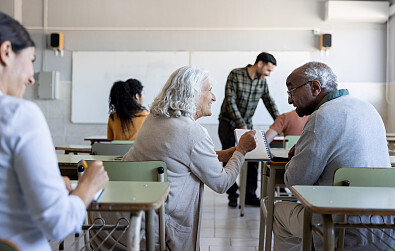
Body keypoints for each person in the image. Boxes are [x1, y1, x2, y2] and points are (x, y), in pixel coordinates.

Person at [94, 65, 254, 251]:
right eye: (209, 90)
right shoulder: (194, 133)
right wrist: (241, 151)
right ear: (193, 93)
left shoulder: (153, 120)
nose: (214, 97)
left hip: (123, 219)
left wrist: (223, 155)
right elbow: (221, 184)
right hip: (159, 226)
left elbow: (176, 156)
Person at [0, 12, 109, 250]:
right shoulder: (19, 115)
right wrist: (88, 186)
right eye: (31, 60)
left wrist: (43, 187)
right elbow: (58, 224)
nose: (31, 78)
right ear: (6, 52)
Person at [273, 61, 395, 250]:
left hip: (339, 229)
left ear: (315, 87)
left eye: (291, 92)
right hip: (388, 229)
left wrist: (294, 158)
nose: (290, 100)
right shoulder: (368, 108)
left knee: (278, 211)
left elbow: (295, 182)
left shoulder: (321, 116)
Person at [218, 52, 279, 207]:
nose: (268, 74)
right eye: (268, 70)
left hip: (247, 124)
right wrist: (240, 124)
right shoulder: (236, 74)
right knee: (229, 155)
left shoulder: (262, 82)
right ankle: (232, 194)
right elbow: (230, 100)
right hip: (228, 123)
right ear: (260, 64)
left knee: (254, 159)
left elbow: (269, 102)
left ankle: (250, 195)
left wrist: (280, 121)